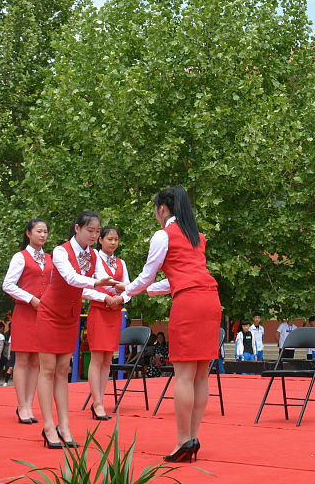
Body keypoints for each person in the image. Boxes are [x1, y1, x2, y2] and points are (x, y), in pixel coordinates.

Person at [124, 185, 222, 464]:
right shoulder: (198, 236)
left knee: (184, 375)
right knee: (200, 375)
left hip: (189, 303)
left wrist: (126, 292)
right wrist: (144, 289)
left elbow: (147, 275)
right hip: (210, 300)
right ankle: (193, 437)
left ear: (162, 209)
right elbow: (179, 277)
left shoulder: (163, 235)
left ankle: (182, 439)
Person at [34, 211, 118, 449]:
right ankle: (48, 426)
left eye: (96, 231)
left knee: (63, 370)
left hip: (70, 316)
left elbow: (101, 280)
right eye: (90, 230)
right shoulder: (61, 251)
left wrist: (121, 291)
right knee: (47, 370)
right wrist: (98, 283)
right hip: (50, 313)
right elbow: (71, 278)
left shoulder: (94, 255)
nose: (93, 235)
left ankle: (64, 425)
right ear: (77, 228)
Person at [3, 217, 51, 423]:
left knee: (36, 361)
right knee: (22, 359)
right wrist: (30, 298)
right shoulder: (20, 257)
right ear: (28, 233)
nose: (42, 235)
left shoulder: (50, 258)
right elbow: (8, 285)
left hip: (43, 313)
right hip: (25, 311)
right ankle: (22, 405)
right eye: (38, 231)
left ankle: (29, 405)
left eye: (45, 232)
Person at [84, 225, 130, 420]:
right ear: (100, 240)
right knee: (97, 357)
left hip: (115, 312)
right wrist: (105, 298)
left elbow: (129, 287)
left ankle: (100, 400)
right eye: (109, 239)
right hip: (98, 310)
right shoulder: (93, 259)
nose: (113, 242)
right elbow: (84, 286)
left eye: (116, 239)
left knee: (107, 359)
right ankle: (97, 403)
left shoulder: (121, 262)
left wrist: (121, 298)